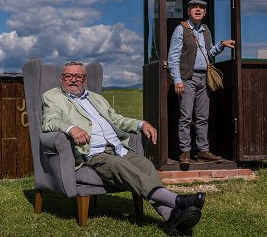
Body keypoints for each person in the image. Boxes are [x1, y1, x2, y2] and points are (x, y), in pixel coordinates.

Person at [42, 61, 206, 235]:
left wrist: (141, 124)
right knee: (118, 165)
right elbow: (49, 122)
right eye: (68, 76)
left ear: (85, 79)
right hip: (94, 153)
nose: (73, 80)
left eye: (78, 76)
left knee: (146, 165)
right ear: (62, 78)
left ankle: (170, 218)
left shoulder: (96, 98)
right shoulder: (52, 97)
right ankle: (178, 201)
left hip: (119, 148)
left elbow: (117, 120)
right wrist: (71, 128)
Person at [168, 0, 235, 165]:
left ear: (205, 13)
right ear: (189, 11)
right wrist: (177, 79)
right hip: (187, 79)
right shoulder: (181, 29)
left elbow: (209, 53)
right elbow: (173, 56)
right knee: (185, 117)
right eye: (195, 7)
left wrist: (221, 45)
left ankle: (203, 151)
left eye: (202, 8)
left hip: (204, 78)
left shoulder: (206, 30)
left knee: (203, 117)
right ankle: (185, 152)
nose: (198, 10)